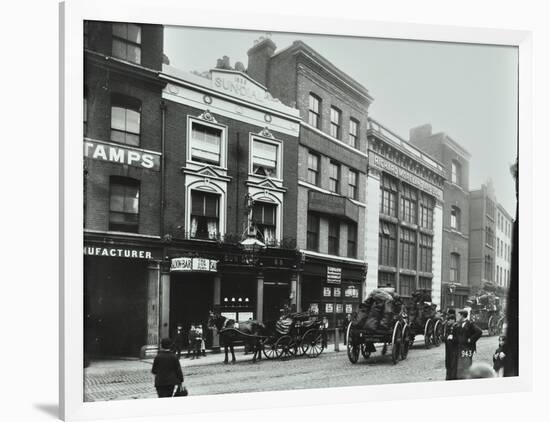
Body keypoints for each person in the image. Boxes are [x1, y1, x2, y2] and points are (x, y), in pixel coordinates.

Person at [454, 309, 483, 379]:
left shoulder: (470, 323)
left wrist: (471, 339)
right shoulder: (459, 324)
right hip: (461, 347)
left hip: (468, 347)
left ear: (462, 316)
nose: (458, 317)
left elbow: (479, 332)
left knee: (467, 363)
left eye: (459, 315)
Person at [444, 310, 458, 380]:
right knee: (448, 362)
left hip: (454, 348)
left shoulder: (456, 327)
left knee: (453, 363)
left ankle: (452, 377)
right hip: (448, 348)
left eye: (449, 320)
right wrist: (447, 337)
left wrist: (452, 338)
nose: (448, 322)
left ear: (453, 320)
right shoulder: (448, 327)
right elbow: (445, 336)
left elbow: (459, 339)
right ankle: (448, 376)